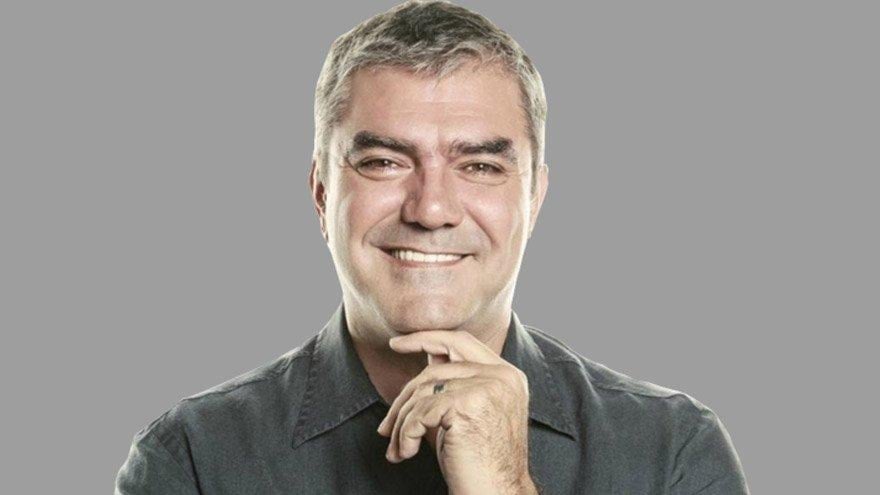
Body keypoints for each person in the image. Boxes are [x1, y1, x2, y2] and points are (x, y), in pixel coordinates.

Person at [115, 1, 749, 493]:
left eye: (480, 166)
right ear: (322, 193)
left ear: (533, 200)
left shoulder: (671, 452)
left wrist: (504, 485)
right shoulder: (194, 459)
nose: (431, 210)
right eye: (384, 162)